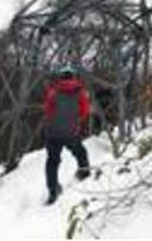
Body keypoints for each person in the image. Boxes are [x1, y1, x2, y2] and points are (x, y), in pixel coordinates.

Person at [42, 64, 91, 205]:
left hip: (53, 133)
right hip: (71, 131)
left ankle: (53, 191)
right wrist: (75, 121)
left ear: (61, 77)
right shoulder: (80, 92)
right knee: (79, 151)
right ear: (73, 76)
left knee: (52, 161)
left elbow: (48, 112)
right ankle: (84, 170)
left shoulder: (53, 92)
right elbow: (85, 111)